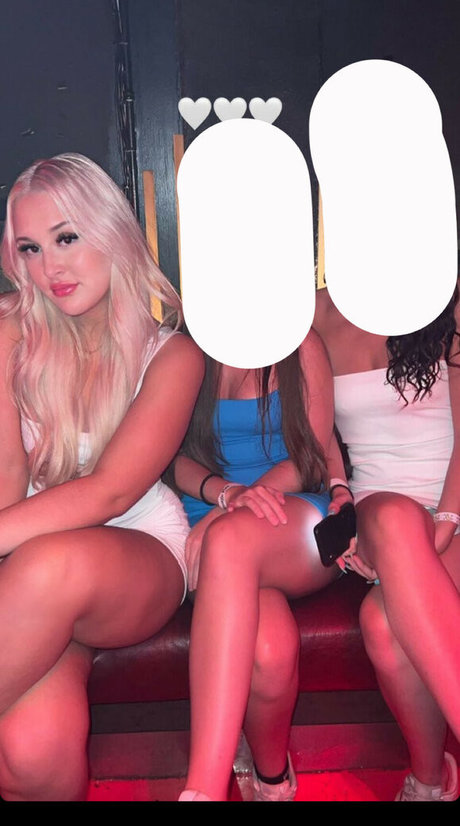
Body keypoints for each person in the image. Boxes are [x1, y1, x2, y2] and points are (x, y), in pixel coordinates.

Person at [0, 153, 203, 801]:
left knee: (51, 563)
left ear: (110, 229)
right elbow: (7, 478)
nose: (50, 268)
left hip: (136, 553)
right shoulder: (13, 336)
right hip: (31, 565)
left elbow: (110, 491)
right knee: (32, 753)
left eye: (66, 238)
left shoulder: (171, 354)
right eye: (30, 248)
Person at [173, 331, 354, 801]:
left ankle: (204, 788)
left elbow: (310, 456)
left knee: (230, 540)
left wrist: (233, 510)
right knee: (270, 652)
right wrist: (226, 496)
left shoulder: (302, 344)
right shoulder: (188, 346)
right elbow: (174, 459)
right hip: (208, 510)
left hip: (291, 510)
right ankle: (273, 782)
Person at [313, 284, 460, 802]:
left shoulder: (449, 300)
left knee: (381, 624)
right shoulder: (315, 311)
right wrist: (339, 491)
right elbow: (316, 429)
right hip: (379, 514)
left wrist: (446, 519)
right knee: (397, 520)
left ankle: (429, 780)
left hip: (454, 505)